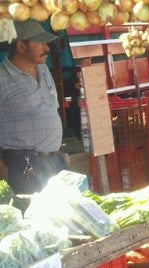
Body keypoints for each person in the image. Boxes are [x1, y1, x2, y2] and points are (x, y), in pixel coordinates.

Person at [0, 19, 67, 194]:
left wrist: (59, 155)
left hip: (53, 162)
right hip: (21, 166)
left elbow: (51, 111)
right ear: (21, 46)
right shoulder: (1, 78)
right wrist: (2, 168)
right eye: (40, 43)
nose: (47, 48)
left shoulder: (43, 70)